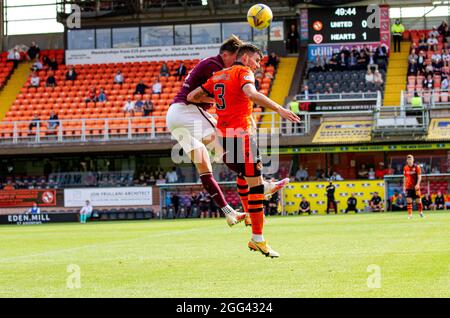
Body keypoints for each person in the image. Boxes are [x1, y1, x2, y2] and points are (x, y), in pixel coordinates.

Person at [187, 43, 300, 258]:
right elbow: (250, 93)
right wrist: (279, 108)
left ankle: (252, 212)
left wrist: (218, 102)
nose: (258, 65)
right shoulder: (243, 72)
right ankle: (258, 238)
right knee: (256, 188)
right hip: (242, 137)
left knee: (245, 176)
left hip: (223, 138)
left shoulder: (219, 75)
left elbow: (192, 96)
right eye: (257, 60)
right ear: (246, 58)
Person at [167, 36, 288, 229]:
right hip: (187, 111)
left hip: (175, 117)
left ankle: (229, 212)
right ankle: (259, 183)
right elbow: (223, 92)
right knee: (229, 142)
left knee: (205, 169)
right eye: (235, 58)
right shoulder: (217, 67)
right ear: (225, 54)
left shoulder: (212, 65)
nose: (237, 62)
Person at [403, 154, 424, 219]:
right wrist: (404, 186)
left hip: (415, 187)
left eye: (410, 159)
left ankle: (420, 212)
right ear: (407, 160)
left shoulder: (417, 167)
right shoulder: (405, 168)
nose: (409, 161)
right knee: (408, 200)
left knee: (418, 201)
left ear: (413, 160)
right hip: (408, 187)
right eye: (408, 159)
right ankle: (410, 215)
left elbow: (419, 177)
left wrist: (417, 184)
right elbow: (405, 177)